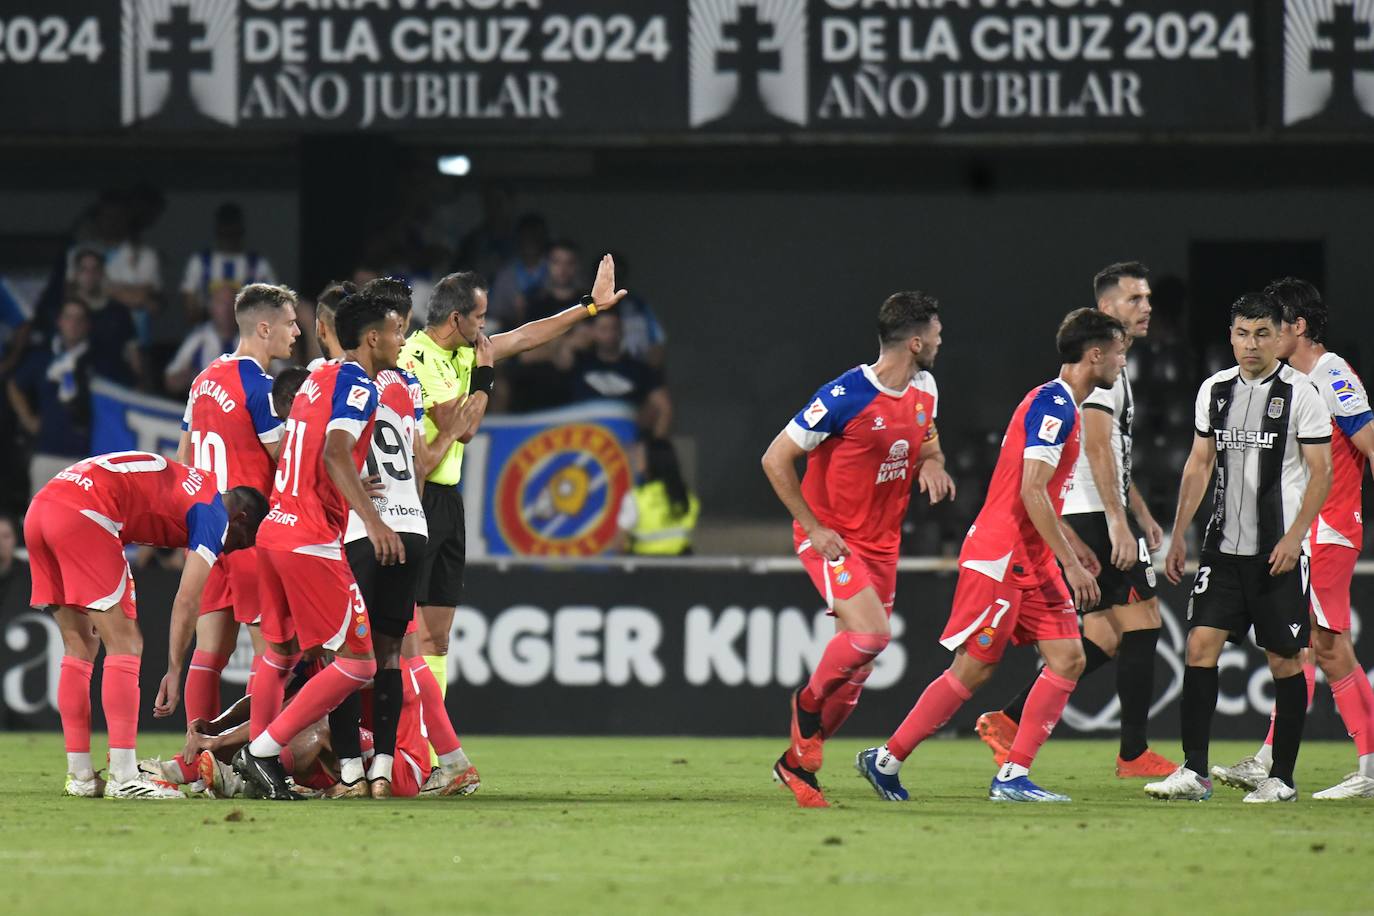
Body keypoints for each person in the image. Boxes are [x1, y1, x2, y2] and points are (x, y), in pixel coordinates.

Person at [858, 308, 1126, 805]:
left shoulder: (1059, 403)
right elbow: (1030, 490)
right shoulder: (1054, 406)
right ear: (1095, 354)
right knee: (974, 669)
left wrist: (1065, 549)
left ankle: (1013, 777)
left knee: (1068, 657)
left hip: (1034, 556)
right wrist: (1069, 560)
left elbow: (1040, 494)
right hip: (1002, 556)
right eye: (1118, 351)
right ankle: (887, 759)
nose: (1122, 361)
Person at [400, 256, 627, 737]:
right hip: (414, 502)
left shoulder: (463, 350)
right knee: (409, 638)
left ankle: (429, 747)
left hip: (448, 500)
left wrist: (589, 308)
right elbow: (462, 428)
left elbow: (526, 336)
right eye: (480, 318)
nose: (486, 327)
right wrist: (484, 374)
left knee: (437, 638)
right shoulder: (418, 357)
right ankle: (401, 745)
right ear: (455, 318)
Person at [978, 262, 1176, 779]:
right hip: (1089, 511)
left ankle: (1007, 719)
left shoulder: (1116, 366)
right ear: (1107, 309)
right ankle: (1133, 754)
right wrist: (1116, 522)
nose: (1147, 307)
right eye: (1135, 299)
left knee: (1109, 637)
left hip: (1091, 507)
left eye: (1148, 297)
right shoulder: (1101, 368)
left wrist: (1139, 511)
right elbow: (1092, 444)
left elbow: (1112, 450)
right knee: (1145, 623)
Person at [761, 291, 951, 808]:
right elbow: (775, 459)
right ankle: (804, 708)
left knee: (857, 674)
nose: (940, 339)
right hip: (833, 538)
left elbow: (926, 433)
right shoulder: (844, 395)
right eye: (934, 332)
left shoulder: (925, 387)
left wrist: (932, 461)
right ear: (914, 341)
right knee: (870, 636)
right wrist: (813, 527)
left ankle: (796, 764)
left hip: (883, 544)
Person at [1146, 292, 1332, 803]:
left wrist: (1296, 537)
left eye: (1262, 334)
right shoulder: (1215, 390)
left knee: (1284, 661)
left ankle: (1282, 780)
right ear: (1230, 335)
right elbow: (1199, 462)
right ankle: (1194, 772)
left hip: (1279, 553)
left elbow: (1322, 472)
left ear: (1280, 337)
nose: (1251, 344)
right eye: (1242, 333)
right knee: (1200, 647)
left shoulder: (1302, 394)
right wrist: (1182, 532)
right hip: (1222, 548)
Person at [232, 288, 405, 801]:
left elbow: (310, 451)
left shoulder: (316, 376)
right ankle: (260, 752)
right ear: (373, 338)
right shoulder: (357, 382)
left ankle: (263, 765)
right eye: (396, 331)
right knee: (359, 663)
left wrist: (346, 489)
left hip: (274, 530)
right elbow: (333, 453)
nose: (401, 341)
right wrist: (373, 522)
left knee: (281, 653)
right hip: (310, 540)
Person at [1210, 278, 1374, 799]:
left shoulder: (1330, 375)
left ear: (1296, 328)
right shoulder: (1294, 385)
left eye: (1271, 327)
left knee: (1327, 646)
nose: (1259, 340)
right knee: (1295, 645)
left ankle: (1370, 769)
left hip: (1328, 529)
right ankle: (1268, 760)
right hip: (1304, 533)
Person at [24, 451, 266, 798]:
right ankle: (123, 776)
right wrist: (173, 668)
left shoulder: (195, 483)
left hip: (43, 508)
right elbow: (187, 599)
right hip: (86, 514)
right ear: (240, 519)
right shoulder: (214, 515)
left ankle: (81, 776)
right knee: (127, 644)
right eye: (240, 543)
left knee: (79, 646)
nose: (230, 551)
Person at [326, 277, 484, 799]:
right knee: (400, 653)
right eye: (398, 327)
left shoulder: (327, 383)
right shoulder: (403, 386)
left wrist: (371, 517)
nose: (404, 337)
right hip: (407, 521)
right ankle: (402, 764)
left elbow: (322, 456)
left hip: (349, 528)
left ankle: (348, 766)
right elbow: (422, 462)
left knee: (342, 657)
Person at [175, 283, 299, 740]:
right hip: (251, 533)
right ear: (263, 328)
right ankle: (256, 755)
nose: (296, 331)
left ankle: (197, 757)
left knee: (209, 651)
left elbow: (184, 458)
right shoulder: (260, 387)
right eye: (289, 323)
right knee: (272, 652)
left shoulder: (203, 380)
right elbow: (287, 459)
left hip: (208, 533)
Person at [8, 300, 95, 497]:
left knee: (80, 522)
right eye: (69, 318)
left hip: (85, 458)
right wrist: (28, 418)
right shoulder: (44, 357)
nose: (73, 324)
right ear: (60, 322)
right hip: (47, 451)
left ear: (88, 325)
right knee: (41, 521)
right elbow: (14, 385)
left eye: (79, 319)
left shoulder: (98, 361)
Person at [572, 311, 673, 438]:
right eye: (603, 329)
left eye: (614, 328)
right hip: (585, 441)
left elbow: (664, 408)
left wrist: (656, 444)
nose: (610, 334)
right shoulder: (578, 365)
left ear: (621, 331)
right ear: (593, 332)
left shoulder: (640, 369)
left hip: (626, 442)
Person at [180, 203, 277, 320]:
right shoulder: (200, 262)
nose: (229, 231)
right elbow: (189, 308)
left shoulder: (258, 264)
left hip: (250, 333)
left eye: (233, 226)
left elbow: (274, 306)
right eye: (225, 226)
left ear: (241, 229)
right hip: (208, 331)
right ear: (217, 229)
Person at [68, 247, 140, 384]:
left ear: (102, 273)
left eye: (94, 270)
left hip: (116, 384)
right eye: (84, 270)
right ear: (76, 274)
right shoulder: (64, 313)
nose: (89, 275)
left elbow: (134, 355)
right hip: (77, 384)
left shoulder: (119, 311)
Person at [619, 438, 700, 556]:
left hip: (644, 566)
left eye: (640, 454)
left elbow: (618, 543)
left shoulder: (637, 498)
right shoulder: (688, 497)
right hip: (681, 565)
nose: (636, 458)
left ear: (651, 460)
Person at [165, 280, 240, 394]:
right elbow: (171, 379)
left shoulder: (254, 340)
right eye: (221, 303)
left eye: (231, 303)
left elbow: (276, 378)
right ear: (211, 307)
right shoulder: (198, 338)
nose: (227, 309)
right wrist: (187, 378)